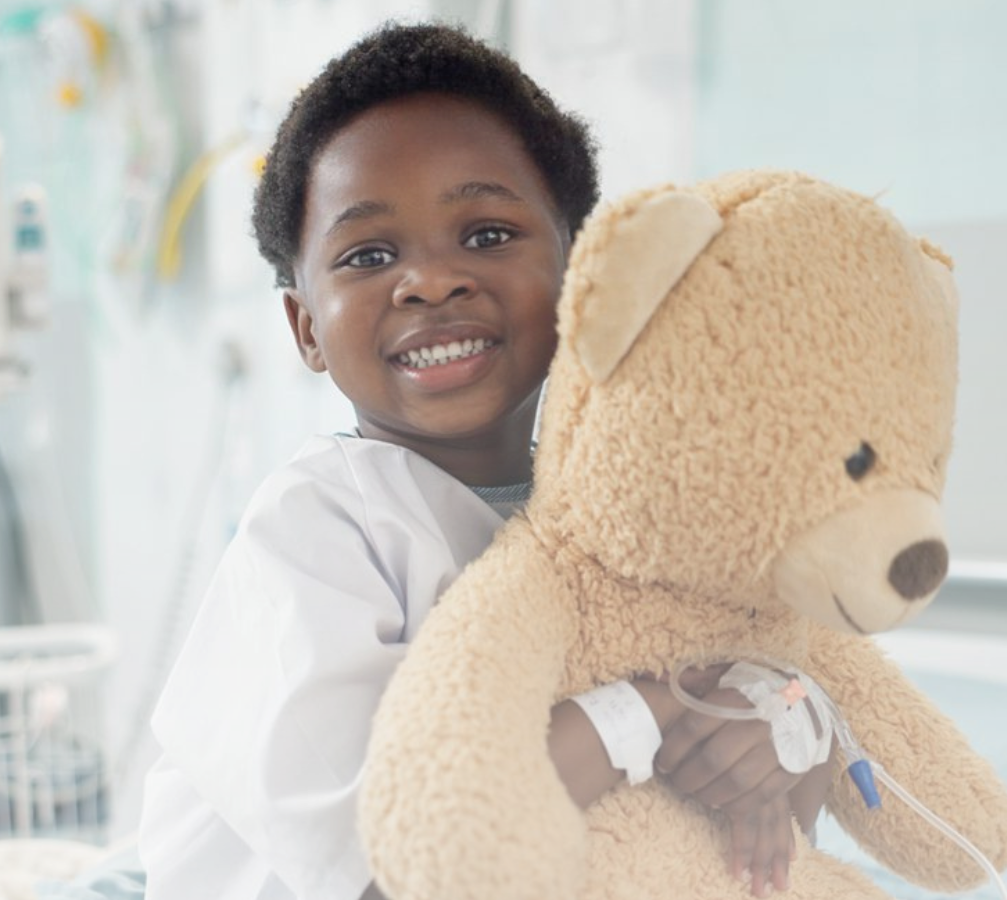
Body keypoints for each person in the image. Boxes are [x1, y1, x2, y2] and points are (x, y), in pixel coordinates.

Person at [139, 21, 833, 900]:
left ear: (582, 270)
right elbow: (399, 853)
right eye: (369, 255)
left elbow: (773, 824)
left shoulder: (627, 517)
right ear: (306, 329)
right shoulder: (316, 531)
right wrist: (662, 708)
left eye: (488, 234)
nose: (430, 281)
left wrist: (777, 735)